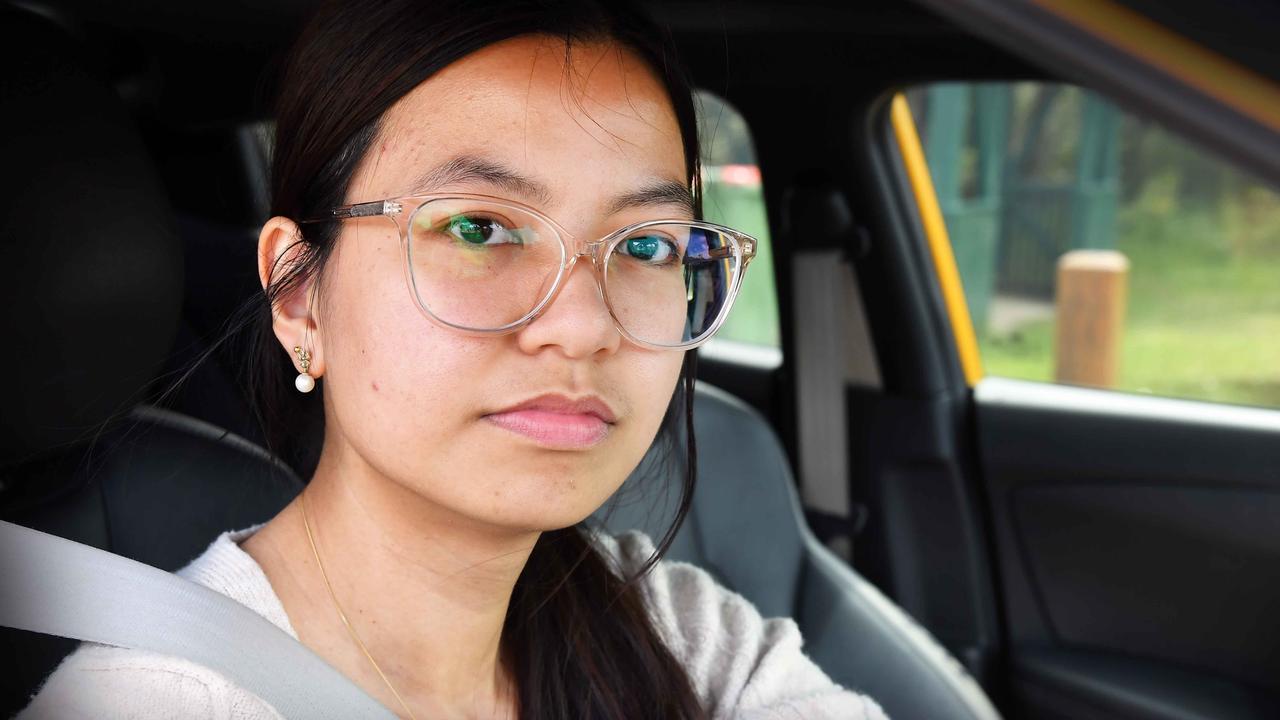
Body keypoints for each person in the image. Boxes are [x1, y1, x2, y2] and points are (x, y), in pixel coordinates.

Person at [21, 0, 887, 717]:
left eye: (650, 246)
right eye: (478, 228)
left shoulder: (676, 631)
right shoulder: (156, 703)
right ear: (297, 293)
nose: (584, 328)